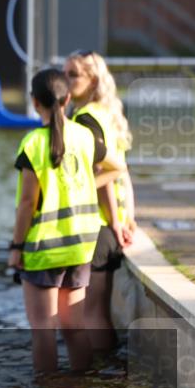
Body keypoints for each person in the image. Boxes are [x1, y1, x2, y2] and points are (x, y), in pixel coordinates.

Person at [8, 68, 125, 374]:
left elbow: (26, 204)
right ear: (67, 99)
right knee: (74, 327)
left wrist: (16, 247)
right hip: (80, 247)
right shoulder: (85, 136)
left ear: (35, 103)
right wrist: (85, 185)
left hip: (44, 248)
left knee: (43, 330)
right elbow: (116, 167)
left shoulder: (32, 144)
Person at [64, 51, 136, 352]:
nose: (66, 80)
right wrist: (129, 214)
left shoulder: (85, 118)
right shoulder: (107, 113)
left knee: (92, 313)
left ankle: (100, 378)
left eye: (73, 75)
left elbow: (106, 172)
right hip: (110, 222)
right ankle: (109, 377)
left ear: (91, 80)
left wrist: (117, 223)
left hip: (98, 224)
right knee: (100, 312)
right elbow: (124, 172)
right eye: (64, 73)